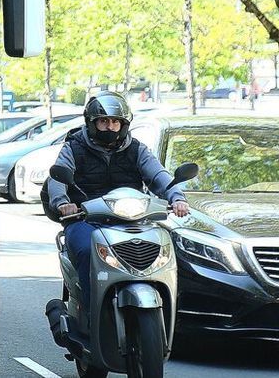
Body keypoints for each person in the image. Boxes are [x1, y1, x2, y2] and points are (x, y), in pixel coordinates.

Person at [46, 91, 190, 309]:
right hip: (85, 219)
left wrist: (176, 197)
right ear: (92, 123)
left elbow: (158, 175)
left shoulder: (136, 149)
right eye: (104, 122)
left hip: (131, 219)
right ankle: (92, 309)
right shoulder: (74, 147)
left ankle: (173, 310)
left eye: (115, 122)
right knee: (86, 250)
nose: (110, 127)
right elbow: (58, 177)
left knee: (168, 247)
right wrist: (62, 203)